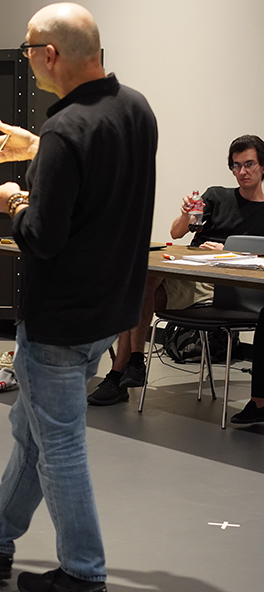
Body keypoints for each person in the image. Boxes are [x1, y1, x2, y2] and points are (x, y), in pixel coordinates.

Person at [0, 3, 156, 592]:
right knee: (33, 431)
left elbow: (42, 238)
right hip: (110, 310)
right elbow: (100, 176)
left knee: (59, 446)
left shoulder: (64, 130)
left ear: (50, 55)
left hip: (60, 318)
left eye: (29, 48)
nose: (28, 57)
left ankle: (84, 574)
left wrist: (16, 201)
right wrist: (40, 153)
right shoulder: (135, 108)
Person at [90, 134, 264, 406]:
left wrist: (229, 252)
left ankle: (119, 374)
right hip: (188, 275)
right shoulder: (217, 196)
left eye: (249, 164)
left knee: (134, 295)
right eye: (236, 165)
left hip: (222, 289)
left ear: (263, 166)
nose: (242, 172)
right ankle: (133, 364)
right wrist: (185, 214)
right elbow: (177, 232)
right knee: (139, 282)